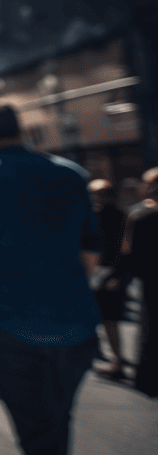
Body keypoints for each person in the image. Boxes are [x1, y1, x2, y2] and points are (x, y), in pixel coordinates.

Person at [0, 101, 101, 455]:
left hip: (8, 318)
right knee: (59, 419)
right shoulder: (71, 174)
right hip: (74, 317)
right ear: (21, 129)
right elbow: (90, 247)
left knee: (35, 428)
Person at [87, 178, 130, 379]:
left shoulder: (106, 216)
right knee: (106, 320)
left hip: (105, 273)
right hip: (107, 273)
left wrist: (116, 275)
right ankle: (113, 358)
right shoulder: (123, 215)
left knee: (108, 320)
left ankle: (117, 362)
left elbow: (125, 250)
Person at [125, 167, 158, 397]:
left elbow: (130, 253)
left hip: (151, 281)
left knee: (151, 328)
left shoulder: (140, 215)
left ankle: (148, 379)